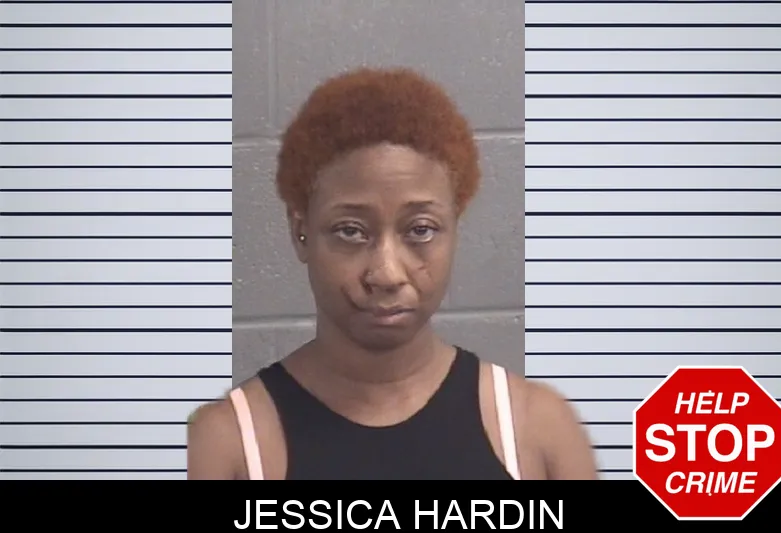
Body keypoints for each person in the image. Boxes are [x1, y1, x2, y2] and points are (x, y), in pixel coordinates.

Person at [187, 67, 598, 480]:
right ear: (301, 233)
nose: (386, 273)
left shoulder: (538, 430)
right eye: (350, 231)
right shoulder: (229, 444)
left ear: (454, 229)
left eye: (420, 230)